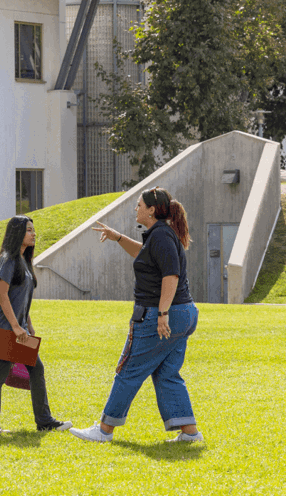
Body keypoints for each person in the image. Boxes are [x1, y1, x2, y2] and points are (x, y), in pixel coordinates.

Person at [70, 186, 202, 443]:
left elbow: (170, 277)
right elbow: (143, 256)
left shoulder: (162, 236)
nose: (136, 209)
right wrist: (117, 237)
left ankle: (104, 429)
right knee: (166, 373)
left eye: (139, 205)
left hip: (161, 315)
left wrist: (162, 313)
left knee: (128, 369)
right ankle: (189, 432)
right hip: (183, 314)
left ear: (152, 210)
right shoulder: (159, 235)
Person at [0, 215, 72, 434]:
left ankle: (44, 422)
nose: (33, 233)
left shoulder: (23, 261)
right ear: (17, 233)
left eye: (33, 230)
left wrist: (27, 324)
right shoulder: (8, 259)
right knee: (0, 374)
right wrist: (17, 327)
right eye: (29, 230)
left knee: (35, 369)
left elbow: (22, 297)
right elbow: (2, 295)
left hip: (17, 328)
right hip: (5, 328)